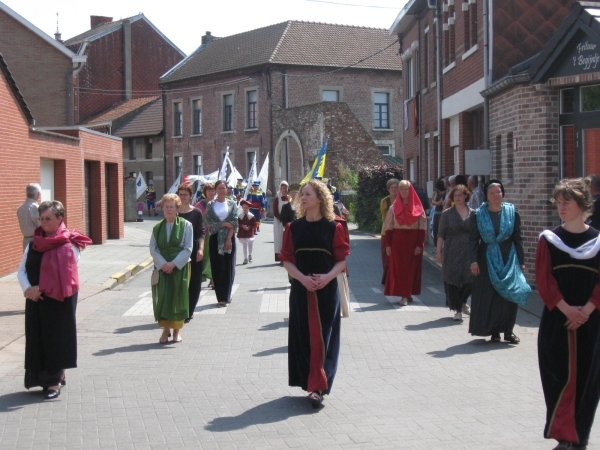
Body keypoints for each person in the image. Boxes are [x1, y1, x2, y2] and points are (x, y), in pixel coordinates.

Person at [536, 178, 600, 450]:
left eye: (567, 202)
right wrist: (566, 309)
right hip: (557, 318)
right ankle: (564, 434)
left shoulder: (597, 241)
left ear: (583, 205)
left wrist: (586, 310)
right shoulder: (549, 240)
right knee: (557, 375)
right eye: (558, 202)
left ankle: (579, 437)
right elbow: (544, 279)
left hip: (592, 319)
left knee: (587, 378)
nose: (561, 207)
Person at [280, 179, 350, 408]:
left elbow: (341, 261)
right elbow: (287, 260)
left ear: (320, 198)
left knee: (323, 337)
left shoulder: (334, 227)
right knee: (303, 336)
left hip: (326, 290)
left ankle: (318, 386)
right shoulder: (293, 227)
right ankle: (309, 383)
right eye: (302, 194)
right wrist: (302, 278)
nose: (303, 197)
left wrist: (327, 277)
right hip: (301, 290)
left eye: (308, 193)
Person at [17, 200, 92, 399]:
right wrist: (28, 290)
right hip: (35, 299)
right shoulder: (34, 243)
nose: (44, 223)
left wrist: (39, 288)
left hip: (60, 299)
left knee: (57, 338)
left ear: (60, 218)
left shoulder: (70, 244)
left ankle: (54, 382)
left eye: (48, 218)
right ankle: (44, 376)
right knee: (38, 337)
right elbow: (21, 270)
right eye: (41, 219)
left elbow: (65, 274)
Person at [469, 179, 530, 343]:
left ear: (503, 193)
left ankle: (508, 331)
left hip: (508, 257)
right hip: (486, 258)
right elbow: (473, 240)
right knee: (491, 296)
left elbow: (518, 238)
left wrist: (521, 261)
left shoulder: (512, 212)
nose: (496, 195)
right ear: (487, 196)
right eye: (492, 193)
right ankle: (494, 331)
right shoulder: (478, 214)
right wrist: (473, 261)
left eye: (498, 192)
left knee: (510, 294)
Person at [150, 193, 193, 344]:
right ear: (162, 208)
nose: (168, 209)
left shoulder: (186, 225)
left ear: (177, 209)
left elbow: (188, 248)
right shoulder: (157, 228)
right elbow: (153, 249)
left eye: (171, 207)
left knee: (177, 297)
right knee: (163, 297)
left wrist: (173, 264)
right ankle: (165, 329)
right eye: (166, 207)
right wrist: (163, 264)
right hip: (162, 268)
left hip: (179, 267)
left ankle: (177, 331)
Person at [384, 180, 427, 305]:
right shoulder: (393, 208)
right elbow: (388, 227)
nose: (403, 191)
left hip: (413, 241)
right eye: (401, 189)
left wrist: (420, 244)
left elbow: (422, 227)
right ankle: (404, 295)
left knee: (412, 268)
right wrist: (388, 244)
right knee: (400, 269)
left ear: (410, 190)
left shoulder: (418, 207)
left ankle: (408, 292)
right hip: (398, 242)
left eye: (406, 189)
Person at [436, 185, 474, 321]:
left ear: (465, 196)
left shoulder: (473, 213)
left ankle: (463, 301)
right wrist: (439, 251)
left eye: (460, 195)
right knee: (451, 279)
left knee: (469, 279)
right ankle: (457, 310)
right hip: (451, 249)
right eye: (455, 195)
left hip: (468, 251)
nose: (458, 198)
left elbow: (477, 234)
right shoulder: (447, 214)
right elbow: (441, 234)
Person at [206, 180, 239, 307]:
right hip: (215, 239)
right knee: (217, 266)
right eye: (219, 188)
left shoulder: (232, 204)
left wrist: (229, 238)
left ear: (226, 189)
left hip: (229, 238)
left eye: (223, 188)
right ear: (215, 190)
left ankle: (227, 295)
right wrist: (224, 224)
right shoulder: (211, 205)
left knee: (228, 267)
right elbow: (210, 223)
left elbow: (235, 223)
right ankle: (220, 297)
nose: (221, 190)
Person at [177, 183, 205, 323]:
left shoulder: (196, 212)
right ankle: (179, 309)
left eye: (185, 195)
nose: (183, 197)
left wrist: (201, 249)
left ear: (190, 196)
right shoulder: (174, 211)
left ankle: (190, 310)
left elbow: (201, 232)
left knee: (194, 280)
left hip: (193, 249)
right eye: (180, 194)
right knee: (179, 281)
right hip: (177, 250)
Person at [379, 178, 399, 285]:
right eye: (392, 188)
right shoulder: (385, 201)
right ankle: (387, 278)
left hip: (400, 231)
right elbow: (384, 217)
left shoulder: (403, 199)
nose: (394, 190)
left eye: (396, 187)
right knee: (386, 256)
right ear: (388, 189)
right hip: (387, 231)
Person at [196, 183, 215, 289]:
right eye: (209, 190)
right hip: (204, 235)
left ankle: (213, 279)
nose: (211, 192)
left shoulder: (217, 203)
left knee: (213, 257)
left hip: (215, 234)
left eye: (213, 190)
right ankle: (203, 277)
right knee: (205, 256)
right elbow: (196, 219)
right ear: (205, 192)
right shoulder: (200, 205)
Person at [17, 183, 41, 251]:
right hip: (35, 240)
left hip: (25, 240)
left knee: (27, 260)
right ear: (38, 194)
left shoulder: (20, 208)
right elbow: (41, 225)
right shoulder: (35, 207)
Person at [273, 181, 290, 262]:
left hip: (288, 222)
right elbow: (275, 211)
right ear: (281, 189)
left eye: (286, 188)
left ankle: (287, 256)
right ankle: (280, 257)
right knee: (279, 238)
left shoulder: (290, 198)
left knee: (287, 239)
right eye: (283, 188)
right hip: (279, 221)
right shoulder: (277, 199)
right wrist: (281, 218)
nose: (285, 189)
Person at [237, 200, 256, 264]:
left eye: (246, 207)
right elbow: (238, 223)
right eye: (244, 207)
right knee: (244, 245)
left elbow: (254, 224)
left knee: (250, 243)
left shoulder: (251, 216)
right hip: (242, 233)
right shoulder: (240, 216)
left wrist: (249, 227)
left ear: (248, 208)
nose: (245, 209)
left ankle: (250, 254)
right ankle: (245, 258)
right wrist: (242, 226)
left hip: (249, 232)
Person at [431, 177, 447, 244]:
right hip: (436, 213)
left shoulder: (445, 194)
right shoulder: (438, 194)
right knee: (435, 230)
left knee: (440, 231)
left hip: (441, 213)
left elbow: (439, 203)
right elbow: (433, 202)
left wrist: (435, 202)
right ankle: (436, 245)